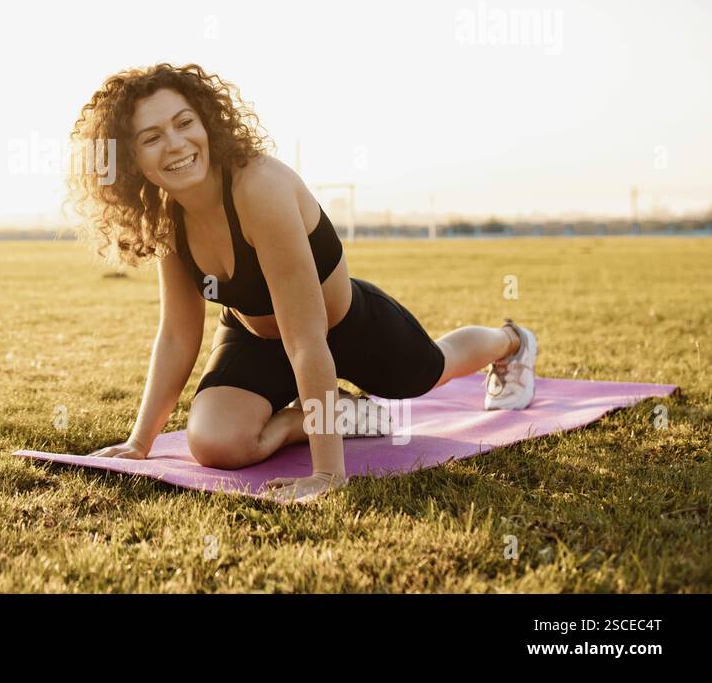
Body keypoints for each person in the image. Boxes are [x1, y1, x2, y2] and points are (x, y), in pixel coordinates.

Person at [68, 63, 539, 502]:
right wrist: (139, 443)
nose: (175, 143)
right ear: (131, 159)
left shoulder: (258, 188)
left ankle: (511, 341)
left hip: (344, 327)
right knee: (215, 443)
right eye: (152, 137)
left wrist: (328, 474)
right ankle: (317, 418)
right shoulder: (170, 218)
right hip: (255, 338)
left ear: (207, 122)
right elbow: (177, 333)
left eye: (184, 122)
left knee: (432, 369)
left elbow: (307, 339)